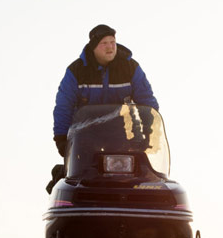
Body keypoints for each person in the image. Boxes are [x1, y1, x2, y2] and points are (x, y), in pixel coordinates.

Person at [52, 24, 158, 158]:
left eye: (113, 42)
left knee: (125, 170)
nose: (110, 47)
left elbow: (147, 101)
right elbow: (64, 106)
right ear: (94, 46)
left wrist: (148, 132)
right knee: (87, 171)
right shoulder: (76, 71)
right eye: (104, 43)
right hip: (84, 133)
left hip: (117, 133)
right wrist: (61, 138)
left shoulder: (130, 68)